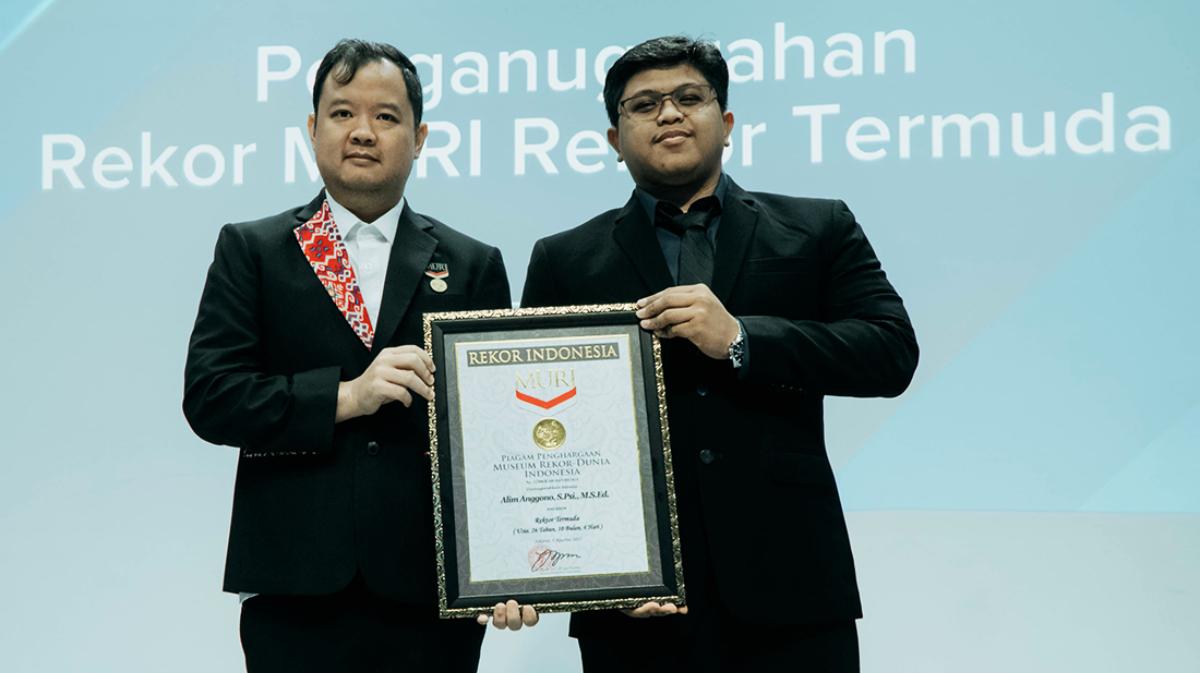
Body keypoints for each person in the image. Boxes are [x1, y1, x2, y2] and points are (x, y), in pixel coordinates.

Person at [520, 35, 919, 673]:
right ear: (614, 139)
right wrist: (581, 568)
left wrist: (742, 339)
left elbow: (891, 352)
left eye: (689, 97)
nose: (669, 114)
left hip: (791, 584)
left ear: (726, 123)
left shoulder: (818, 227)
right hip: (635, 598)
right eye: (644, 104)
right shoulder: (563, 259)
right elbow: (538, 427)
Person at [183, 39, 533, 673]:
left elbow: (496, 437)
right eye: (342, 113)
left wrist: (510, 565)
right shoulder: (254, 249)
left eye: (386, 116)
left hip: (429, 591)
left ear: (419, 138)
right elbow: (213, 398)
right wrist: (347, 396)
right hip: (295, 585)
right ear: (312, 129)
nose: (363, 132)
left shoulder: (472, 263)